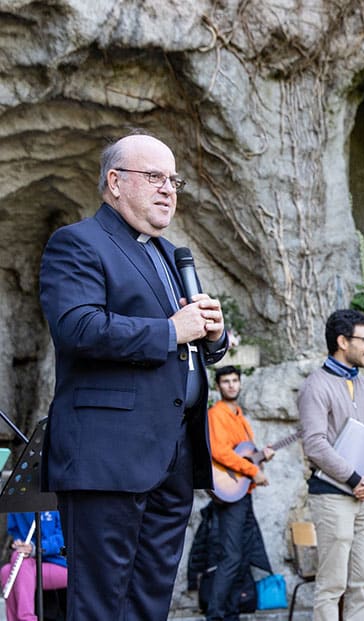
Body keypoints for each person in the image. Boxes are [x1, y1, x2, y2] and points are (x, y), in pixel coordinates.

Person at [38, 132, 228, 619]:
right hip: (108, 455)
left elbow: (190, 345)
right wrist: (170, 331)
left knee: (150, 600)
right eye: (155, 177)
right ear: (115, 182)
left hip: (172, 453)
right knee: (100, 603)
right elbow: (78, 328)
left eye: (173, 180)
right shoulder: (78, 242)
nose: (168, 189)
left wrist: (214, 335)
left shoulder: (168, 255)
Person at [299, 309, 364, 621]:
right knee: (332, 584)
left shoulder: (363, 385)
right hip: (333, 495)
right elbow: (314, 444)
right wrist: (354, 478)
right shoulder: (315, 385)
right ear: (342, 341)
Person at [204, 365, 274, 621]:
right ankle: (216, 615)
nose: (231, 385)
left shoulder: (240, 417)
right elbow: (220, 452)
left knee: (242, 555)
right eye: (226, 381)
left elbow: (242, 453)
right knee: (231, 556)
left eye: (235, 380)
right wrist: (252, 470)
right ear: (218, 386)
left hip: (243, 493)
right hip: (230, 495)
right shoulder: (216, 414)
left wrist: (260, 459)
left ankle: (231, 612)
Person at [1, 511, 67, 621]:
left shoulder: (55, 502)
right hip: (29, 565)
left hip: (60, 563)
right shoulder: (17, 503)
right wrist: (20, 544)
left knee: (21, 564)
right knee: (6, 571)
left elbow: (64, 538)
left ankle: (27, 618)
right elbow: (15, 531)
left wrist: (36, 548)